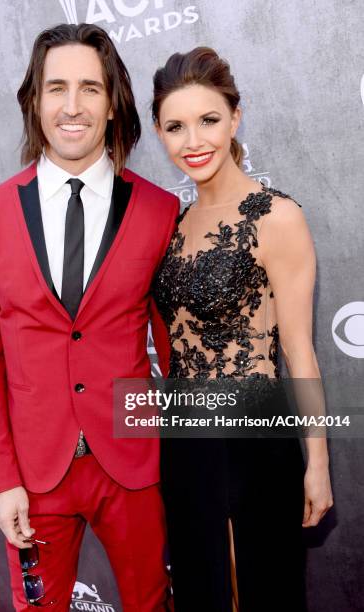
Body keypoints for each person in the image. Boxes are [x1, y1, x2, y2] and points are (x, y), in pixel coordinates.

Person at [0, 23, 179, 611]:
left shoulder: (161, 212)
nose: (73, 106)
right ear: (35, 101)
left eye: (90, 88)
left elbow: (178, 352)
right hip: (34, 478)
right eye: (56, 87)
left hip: (134, 465)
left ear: (113, 103)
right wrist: (3, 480)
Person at [151, 47, 334, 611]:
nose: (193, 140)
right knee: (202, 590)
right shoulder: (171, 225)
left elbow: (300, 353)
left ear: (235, 116)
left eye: (208, 119)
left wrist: (319, 465)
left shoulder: (276, 216)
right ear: (159, 134)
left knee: (260, 588)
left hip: (253, 433)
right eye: (174, 126)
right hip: (182, 438)